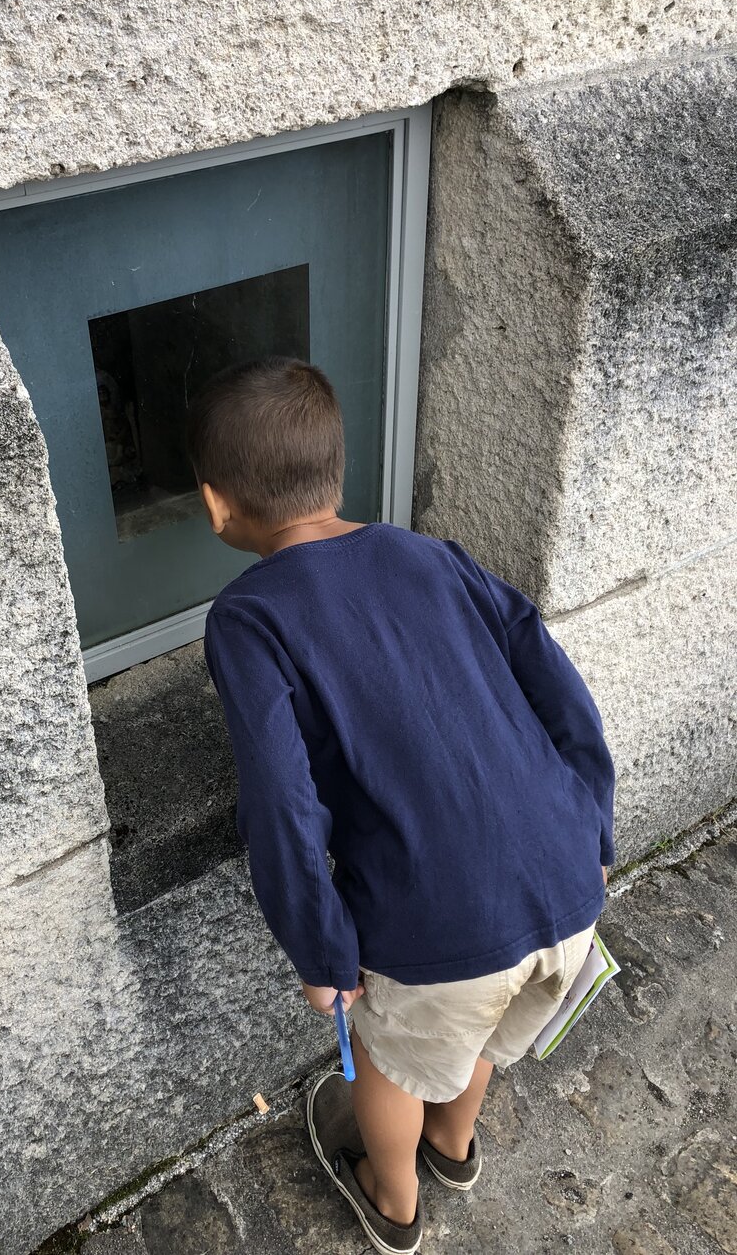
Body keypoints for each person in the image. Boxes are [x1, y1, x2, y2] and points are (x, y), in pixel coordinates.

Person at [187, 357, 614, 1255]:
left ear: (215, 504)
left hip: (441, 924)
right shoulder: (431, 554)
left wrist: (321, 948)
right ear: (336, 471)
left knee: (391, 1057)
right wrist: (595, 818)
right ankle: (455, 1147)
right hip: (571, 882)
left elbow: (280, 797)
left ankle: (393, 1194)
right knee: (482, 1034)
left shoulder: (248, 618)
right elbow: (554, 676)